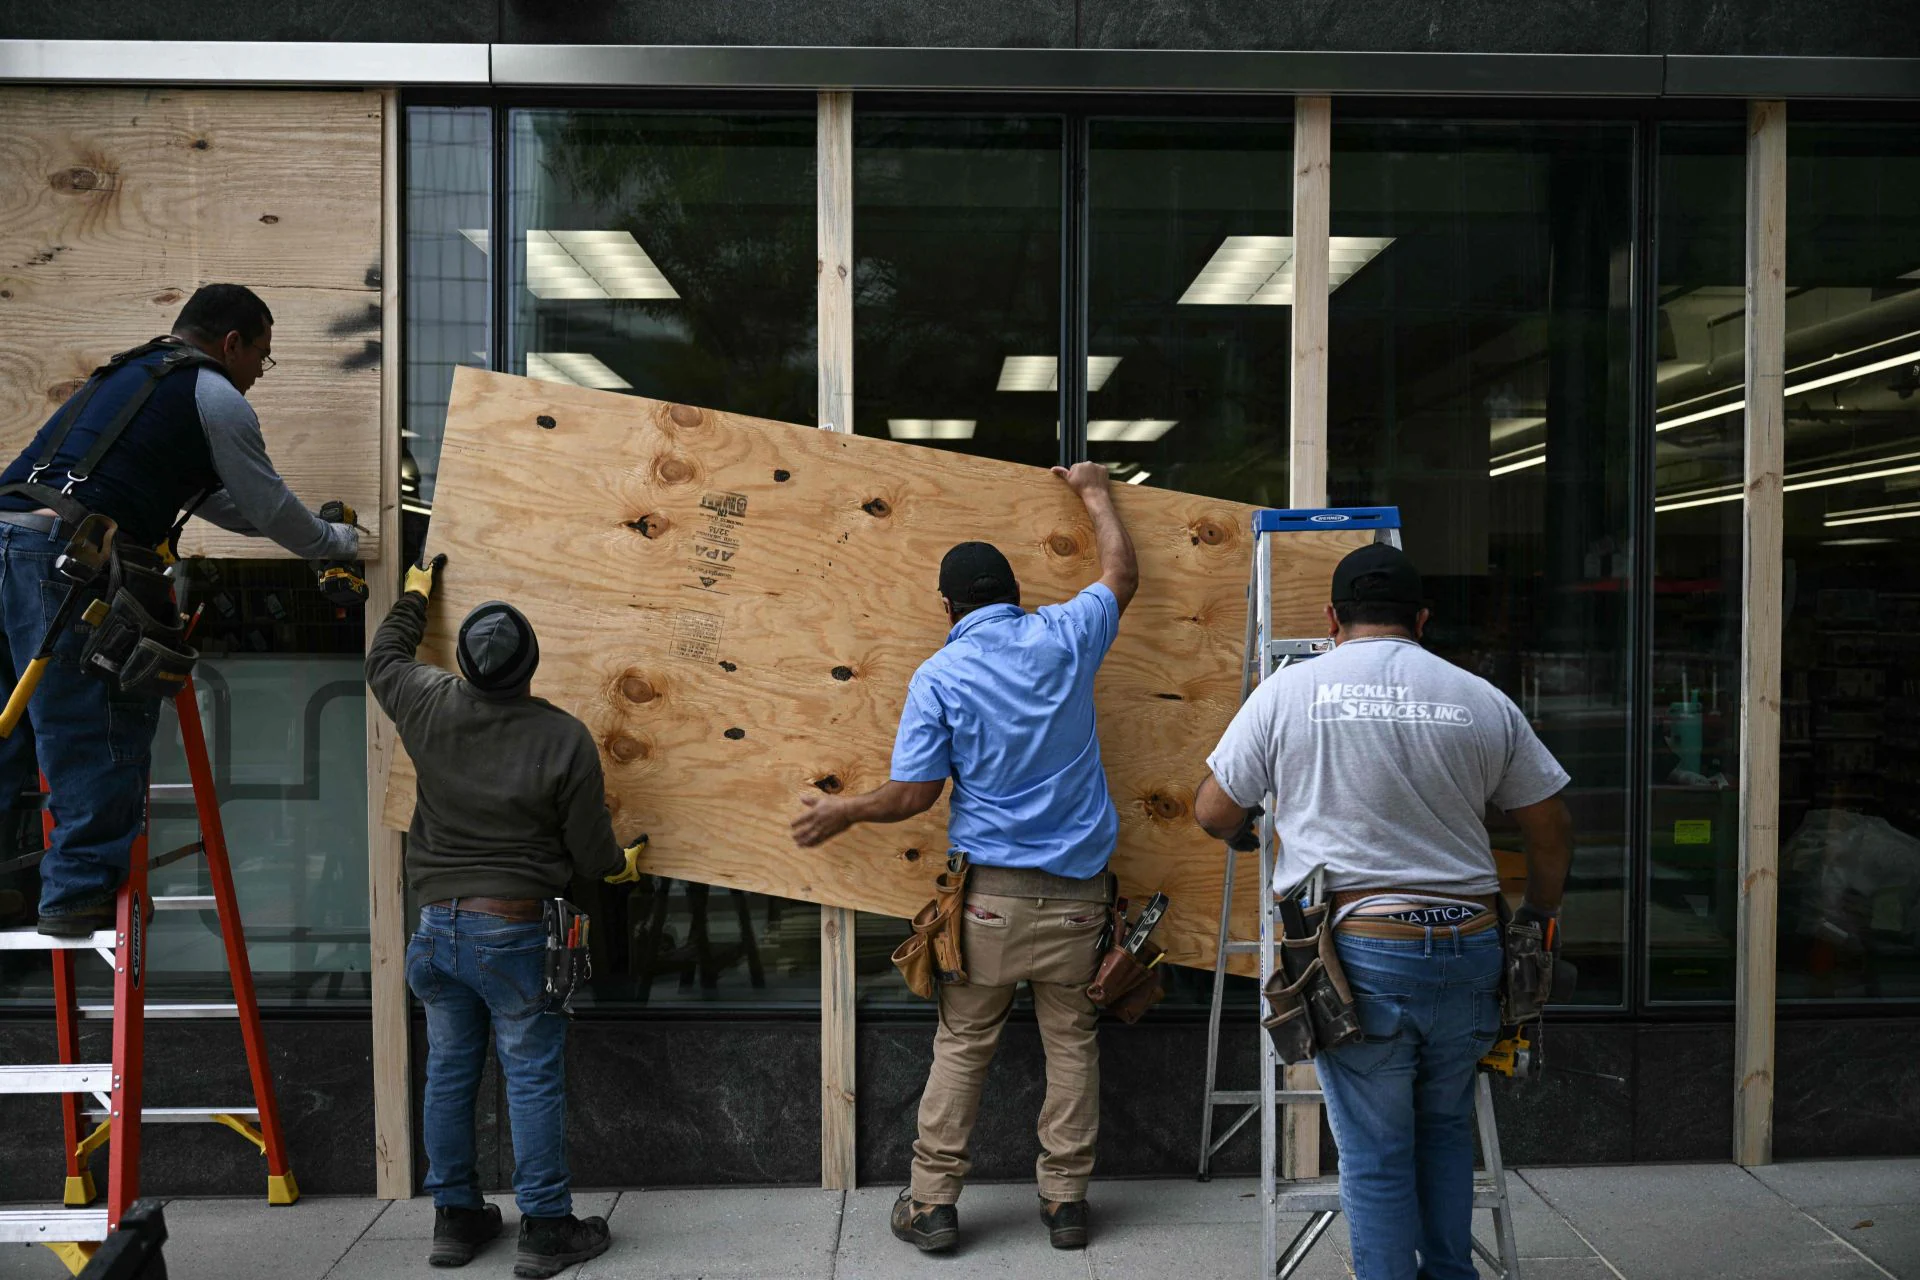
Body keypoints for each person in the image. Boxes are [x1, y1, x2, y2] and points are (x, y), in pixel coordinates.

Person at [1193, 543, 1573, 1280]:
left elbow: (1212, 809)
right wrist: (1539, 915)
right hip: (1471, 946)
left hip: (1360, 953)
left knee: (1374, 1156)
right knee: (1443, 1132)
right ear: (1422, 620)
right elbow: (1551, 826)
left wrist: (1250, 830)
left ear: (1332, 618)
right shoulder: (1478, 697)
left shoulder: (1287, 693)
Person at [789, 462, 1138, 1255]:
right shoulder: (1066, 633)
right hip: (1083, 898)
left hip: (990, 906)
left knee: (964, 1046)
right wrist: (1094, 494)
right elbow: (1121, 572)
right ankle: (1067, 1203)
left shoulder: (940, 673)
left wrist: (845, 808)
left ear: (947, 607)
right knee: (1072, 1043)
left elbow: (913, 794)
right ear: (1014, 592)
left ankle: (934, 1204)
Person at [0, 285, 358, 935]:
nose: (258, 374)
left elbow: (241, 505)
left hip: (8, 542)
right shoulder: (215, 396)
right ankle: (78, 892)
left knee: (9, 720)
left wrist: (293, 524)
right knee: (94, 715)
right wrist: (337, 543)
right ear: (231, 344)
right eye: (262, 357)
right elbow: (269, 505)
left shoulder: (129, 373)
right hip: (63, 560)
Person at [368, 552, 644, 1278]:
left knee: (451, 1073)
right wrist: (623, 866)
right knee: (531, 1076)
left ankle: (456, 1219)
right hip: (519, 934)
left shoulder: (425, 701)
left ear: (462, 660)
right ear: (532, 665)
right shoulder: (562, 737)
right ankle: (546, 1227)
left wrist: (415, 596)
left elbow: (384, 655)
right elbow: (591, 856)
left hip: (436, 933)